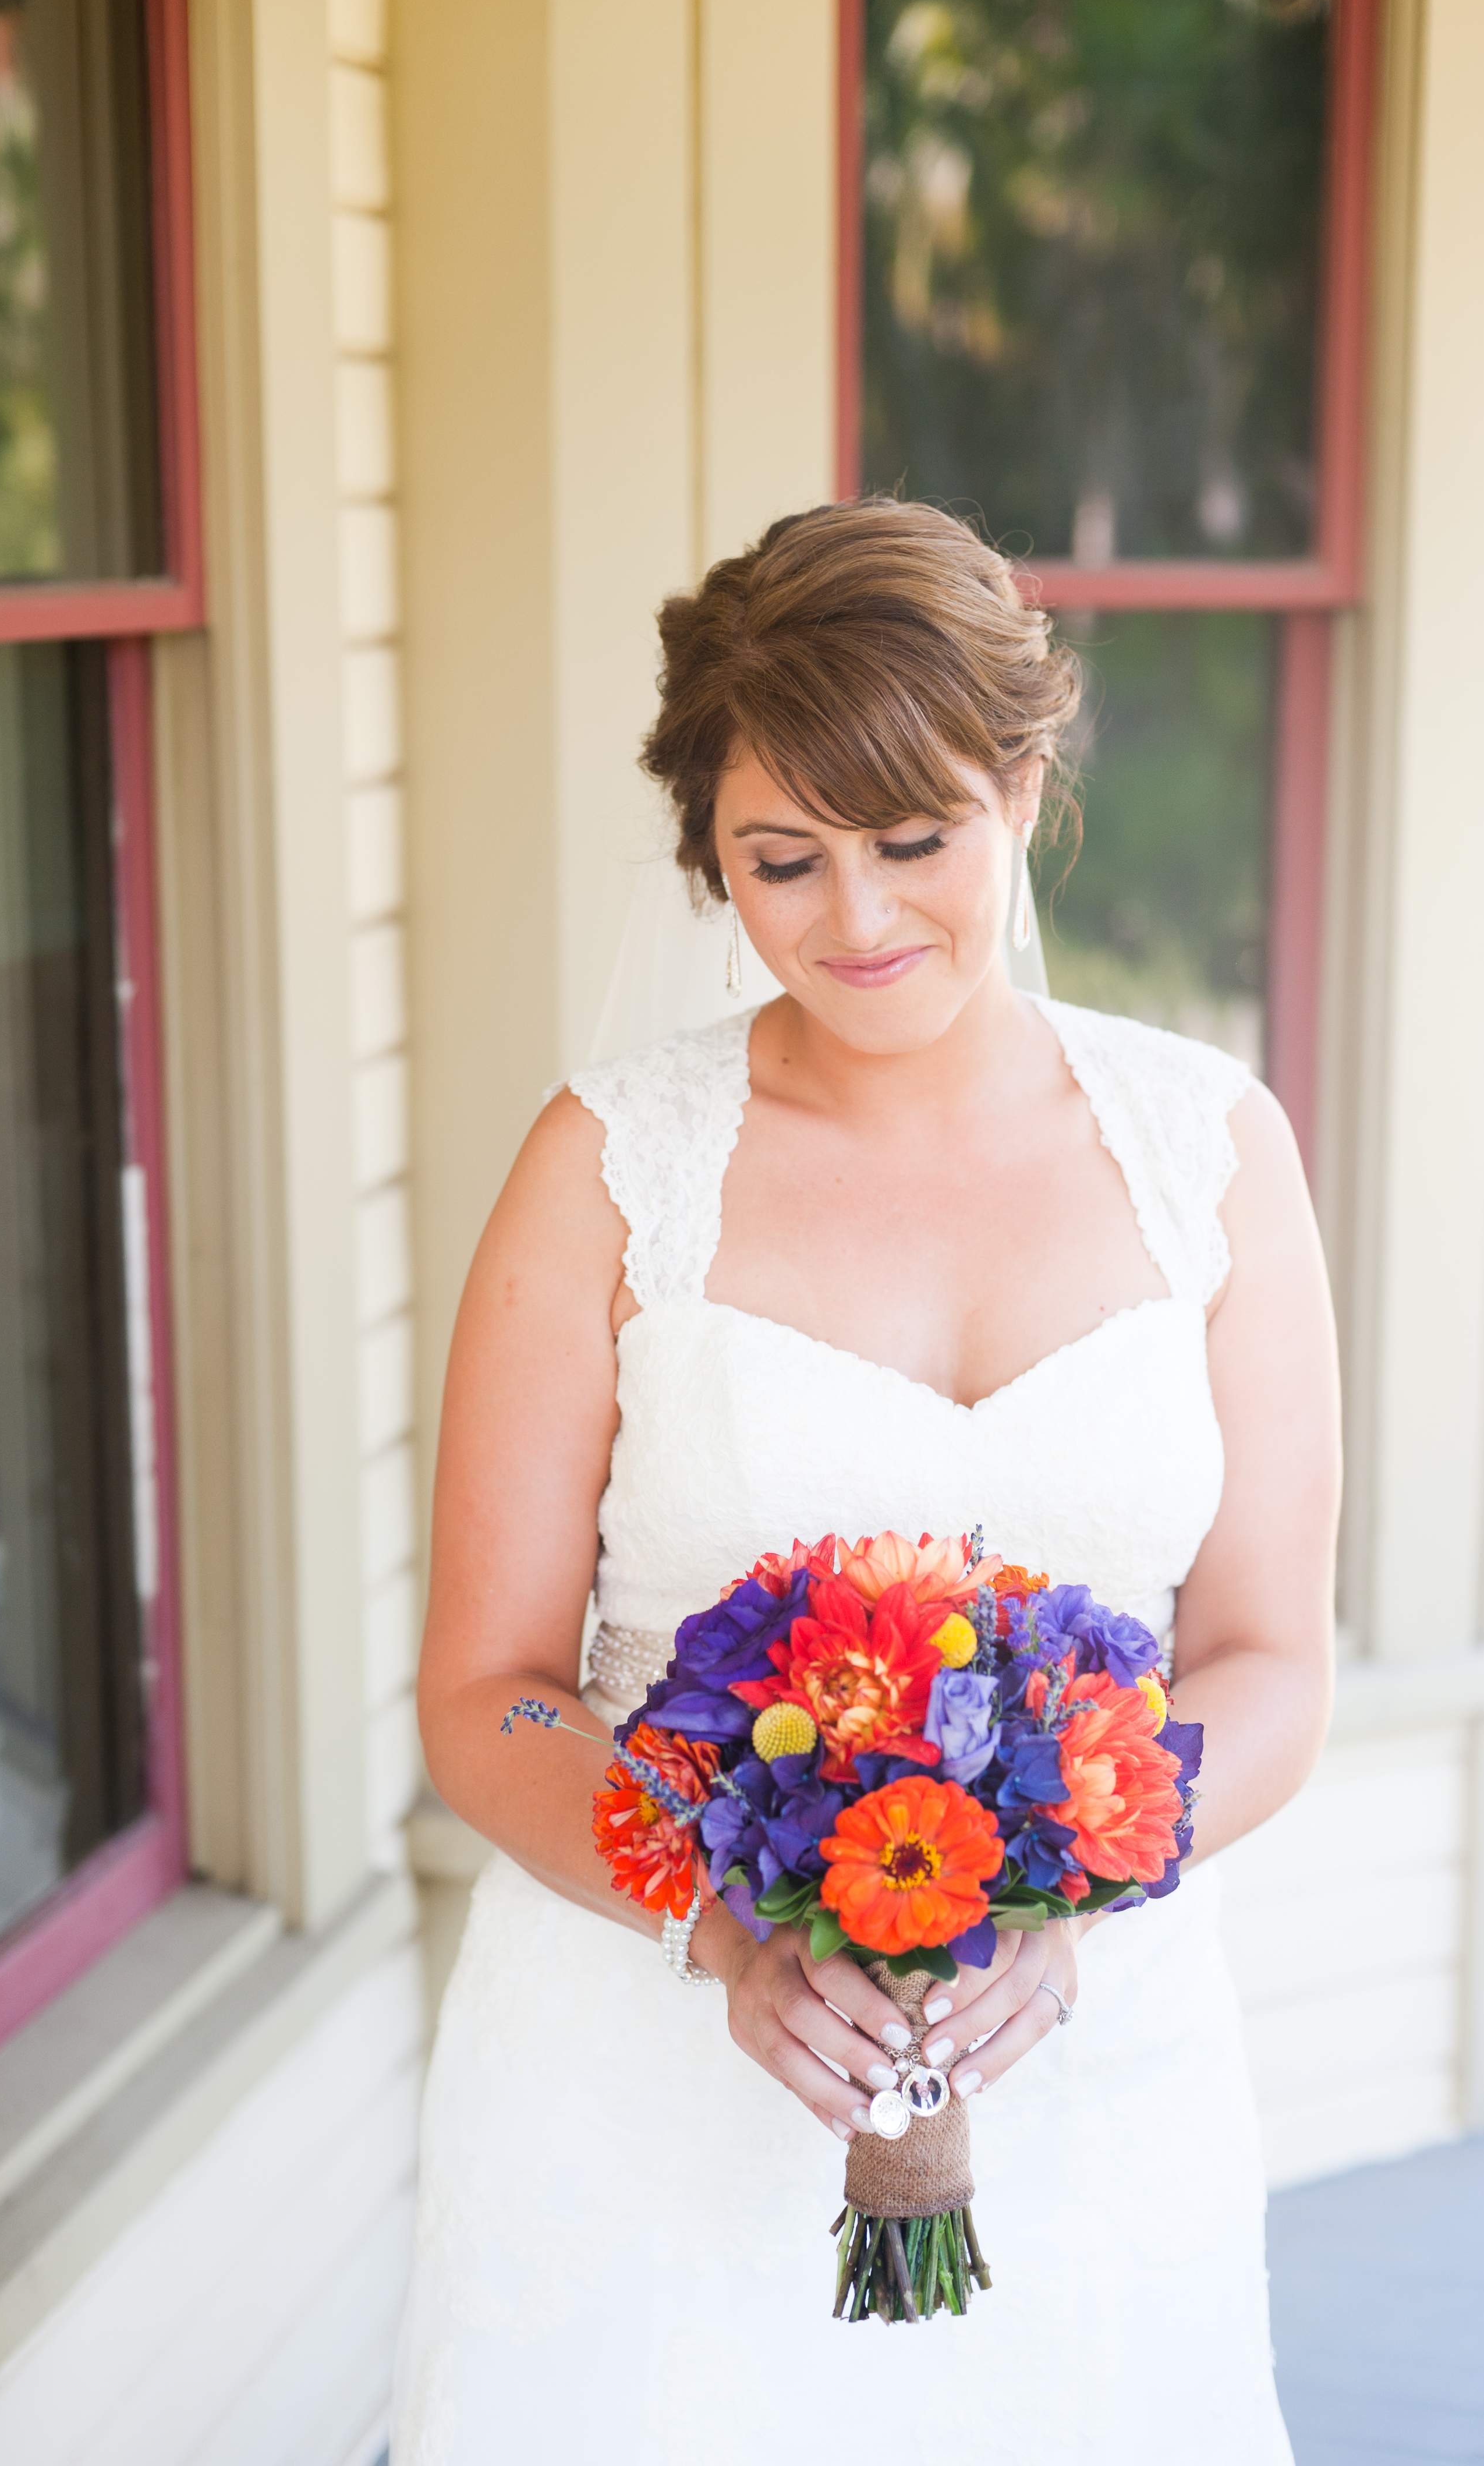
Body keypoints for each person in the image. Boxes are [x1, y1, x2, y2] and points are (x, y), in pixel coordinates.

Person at [394, 499, 1339, 2464]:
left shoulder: (1212, 1152)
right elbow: (489, 1691)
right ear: (709, 858)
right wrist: (724, 1927)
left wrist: (1075, 1899)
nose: (858, 918)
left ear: (1022, 789)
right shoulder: (608, 1172)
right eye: (782, 860)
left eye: (915, 838)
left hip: (1094, 2075)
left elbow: (1269, 1659)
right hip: (646, 2087)